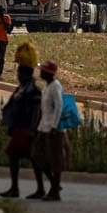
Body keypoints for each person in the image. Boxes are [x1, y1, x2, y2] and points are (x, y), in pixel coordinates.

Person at [0, 63, 45, 199]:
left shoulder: (34, 91)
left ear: (27, 75)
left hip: (26, 130)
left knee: (18, 157)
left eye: (20, 73)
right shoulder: (22, 89)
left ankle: (18, 189)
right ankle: (30, 188)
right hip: (19, 128)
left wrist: (32, 130)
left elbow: (36, 112)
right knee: (26, 158)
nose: (18, 76)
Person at [30, 60, 68, 201]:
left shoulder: (55, 86)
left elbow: (59, 106)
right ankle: (53, 184)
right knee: (36, 156)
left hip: (53, 129)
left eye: (42, 70)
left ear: (48, 73)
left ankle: (55, 190)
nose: (40, 72)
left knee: (55, 159)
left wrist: (54, 125)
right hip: (44, 127)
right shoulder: (47, 87)